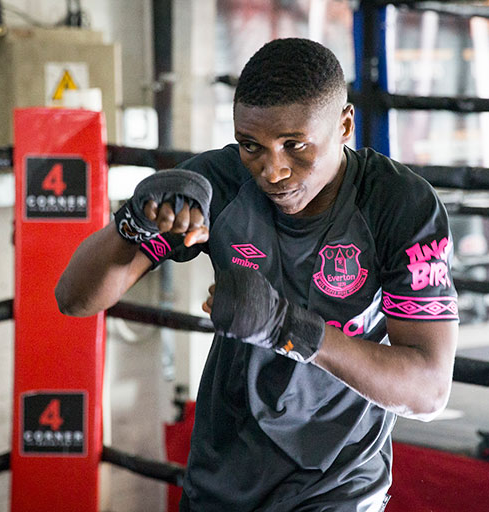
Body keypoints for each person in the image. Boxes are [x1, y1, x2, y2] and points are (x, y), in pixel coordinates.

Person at [56, 38, 458, 511]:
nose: (273, 169)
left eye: (295, 145)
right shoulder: (220, 185)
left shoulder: (396, 205)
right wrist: (132, 224)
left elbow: (429, 389)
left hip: (337, 484)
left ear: (345, 124)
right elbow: (74, 299)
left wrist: (288, 328)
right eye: (252, 146)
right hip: (223, 474)